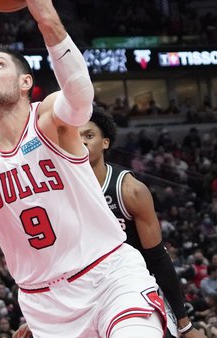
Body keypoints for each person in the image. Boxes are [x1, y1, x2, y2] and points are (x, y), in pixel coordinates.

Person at [0, 0, 165, 338]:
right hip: (42, 303)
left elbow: (81, 97)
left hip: (108, 277)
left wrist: (45, 14)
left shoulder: (49, 116)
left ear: (25, 83)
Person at [77, 106, 205, 338]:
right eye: (76, 137)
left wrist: (186, 324)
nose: (82, 142)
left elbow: (157, 257)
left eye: (89, 135)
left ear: (105, 143)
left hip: (133, 286)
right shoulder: (60, 191)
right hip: (86, 292)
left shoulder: (129, 190)